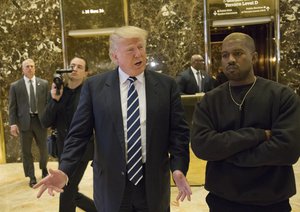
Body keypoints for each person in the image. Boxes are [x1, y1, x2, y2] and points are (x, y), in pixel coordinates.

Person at [34, 26, 192, 212]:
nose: (138, 53)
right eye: (130, 50)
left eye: (140, 47)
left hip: (153, 184)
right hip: (110, 184)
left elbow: (178, 133)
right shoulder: (95, 87)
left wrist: (179, 168)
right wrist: (65, 169)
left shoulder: (167, 86)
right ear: (114, 56)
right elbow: (78, 135)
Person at [191, 32, 300, 211]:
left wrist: (226, 154)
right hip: (222, 200)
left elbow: (288, 150)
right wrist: (258, 135)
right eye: (225, 55)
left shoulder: (282, 96)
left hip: (272, 201)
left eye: (238, 53)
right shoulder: (210, 100)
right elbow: (202, 146)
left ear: (254, 57)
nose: (230, 59)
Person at [40, 56, 96, 212]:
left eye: (79, 67)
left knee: (66, 188)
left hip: (82, 150)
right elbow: (45, 122)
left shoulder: (89, 93)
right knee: (69, 189)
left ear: (86, 72)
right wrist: (54, 100)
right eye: (72, 65)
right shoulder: (59, 91)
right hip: (63, 149)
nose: (75, 69)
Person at [9, 58, 49, 188]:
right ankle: (31, 176)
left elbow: (48, 104)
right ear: (23, 69)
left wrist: (51, 119)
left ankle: (44, 169)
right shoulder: (15, 86)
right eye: (27, 66)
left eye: (32, 66)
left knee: (44, 149)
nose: (30, 68)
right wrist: (13, 124)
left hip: (40, 121)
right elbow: (12, 107)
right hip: (24, 123)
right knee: (26, 152)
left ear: (35, 68)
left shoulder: (43, 83)